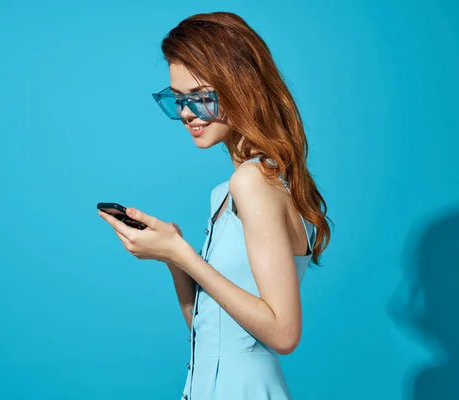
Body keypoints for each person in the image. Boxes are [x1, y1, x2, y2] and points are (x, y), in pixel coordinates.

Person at [97, 11, 331, 400]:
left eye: (202, 97)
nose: (187, 113)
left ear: (241, 87)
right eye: (178, 99)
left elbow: (284, 334)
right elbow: (211, 334)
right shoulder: (226, 193)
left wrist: (184, 255)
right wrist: (172, 256)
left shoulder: (252, 181)